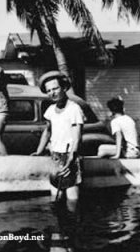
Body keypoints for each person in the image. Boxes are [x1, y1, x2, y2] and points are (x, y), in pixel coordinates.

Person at [32, 71, 84, 202]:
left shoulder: (74, 109)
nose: (52, 93)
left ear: (64, 88)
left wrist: (71, 158)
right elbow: (47, 131)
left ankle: (73, 220)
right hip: (55, 156)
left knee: (72, 199)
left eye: (55, 88)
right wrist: (39, 151)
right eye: (49, 90)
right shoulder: (50, 110)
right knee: (56, 197)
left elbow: (77, 136)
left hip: (70, 155)